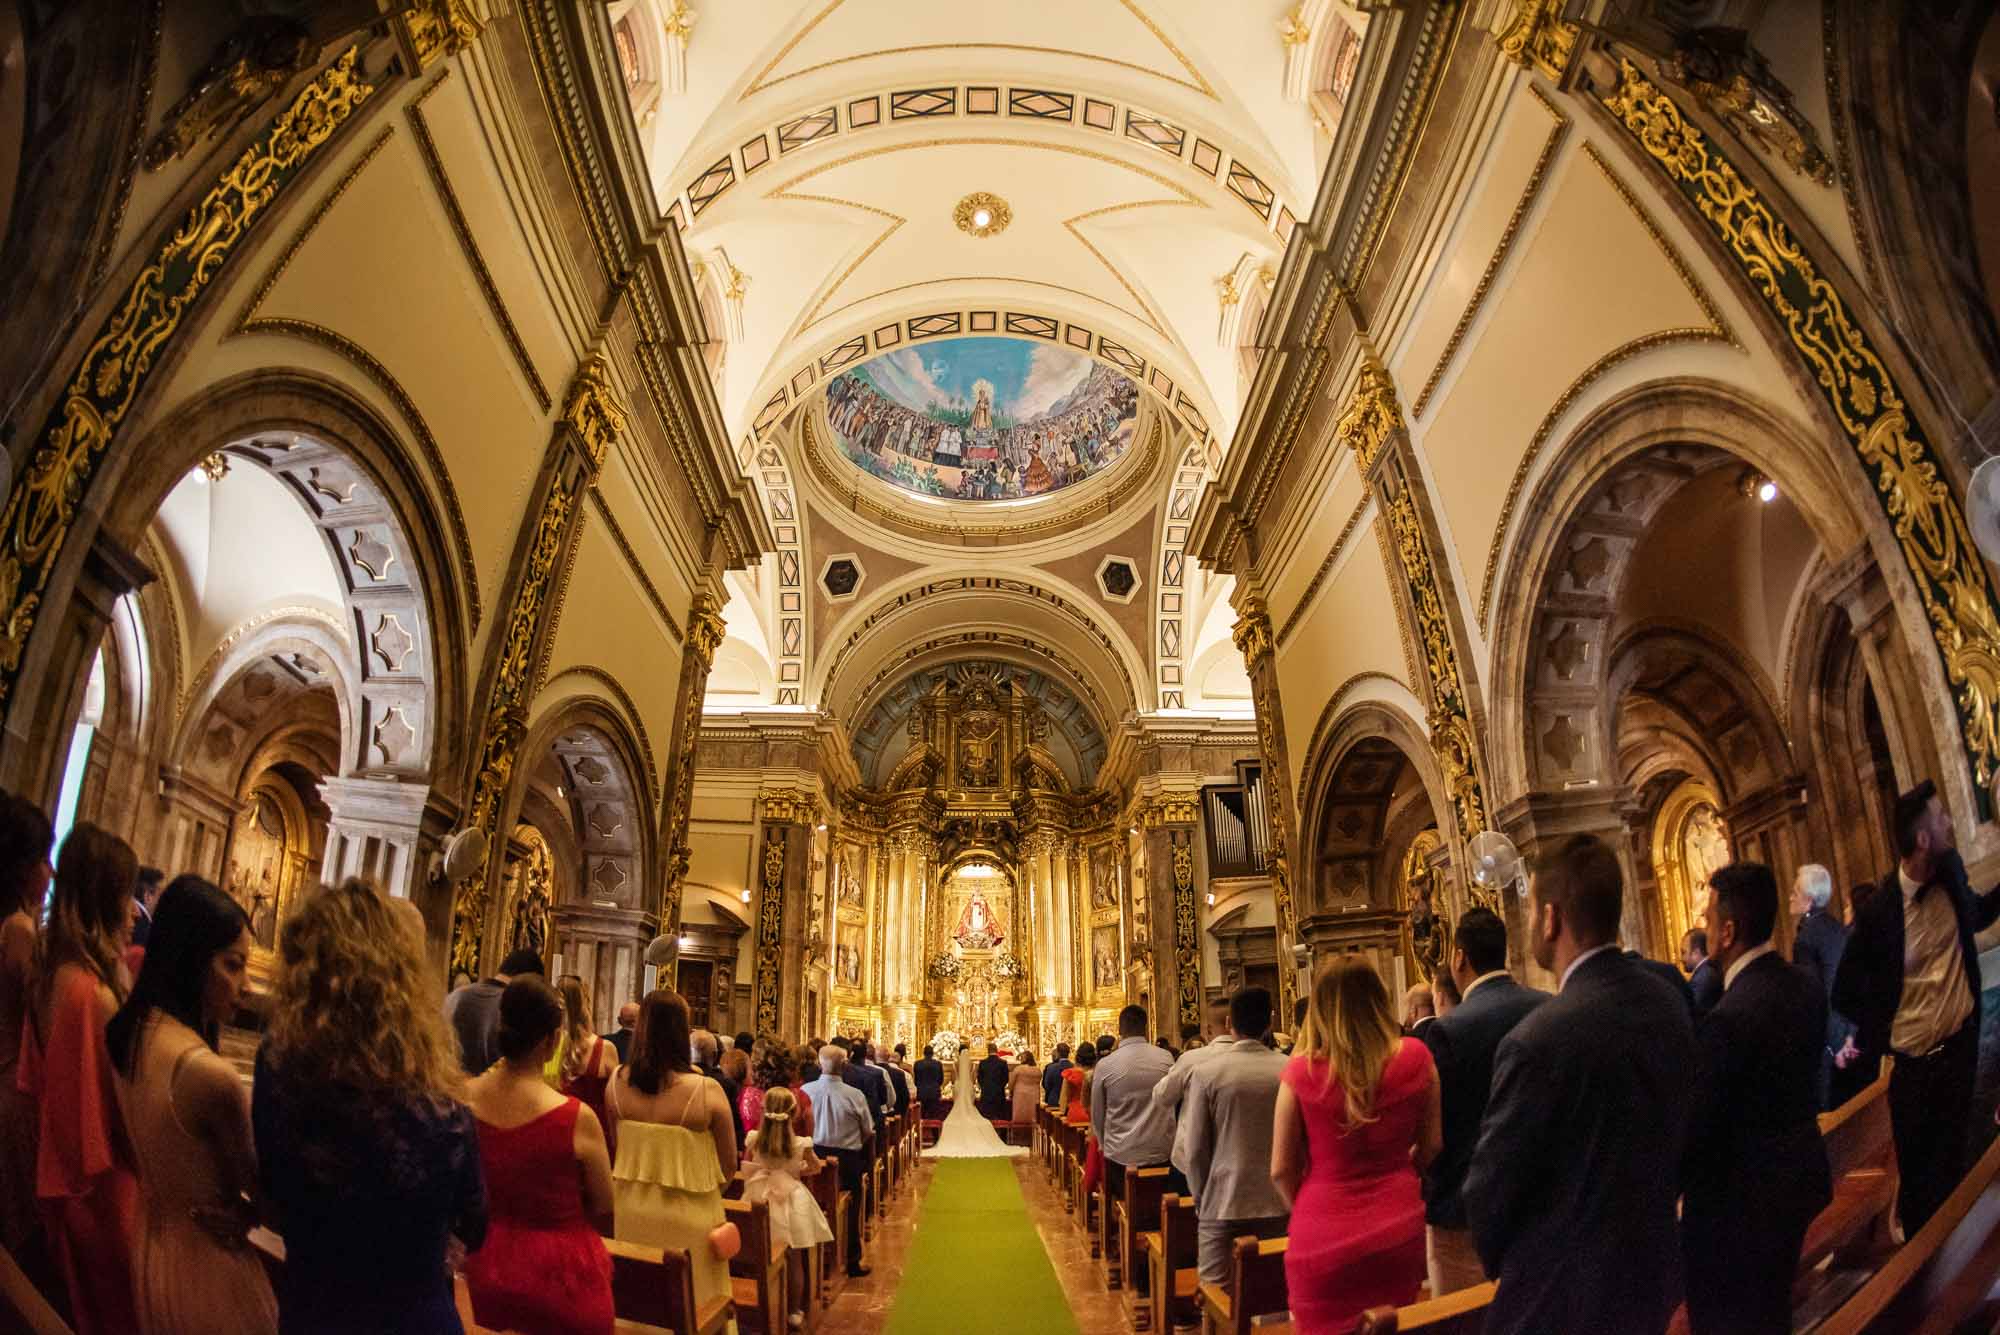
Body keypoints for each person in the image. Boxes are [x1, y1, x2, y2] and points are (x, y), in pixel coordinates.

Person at [1462, 834, 1696, 1335]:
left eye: (1528, 911)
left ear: (1550, 918)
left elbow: (1490, 1193)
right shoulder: (1668, 1001)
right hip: (1654, 1273)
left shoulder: (1537, 1039)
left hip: (1560, 1298)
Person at [254, 879, 486, 1335]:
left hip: (316, 1309)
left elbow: (273, 1194)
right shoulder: (435, 1086)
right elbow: (473, 1222)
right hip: (416, 1312)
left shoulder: (280, 1062)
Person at [105, 876, 274, 1334]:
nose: (246, 987)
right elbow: (268, 1203)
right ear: (191, 959)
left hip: (152, 1244)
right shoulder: (207, 1075)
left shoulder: (131, 1032)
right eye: (232, 966)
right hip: (208, 1264)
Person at [1833, 780, 2000, 1236]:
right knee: (1924, 1190)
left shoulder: (1952, 872)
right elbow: (1844, 992)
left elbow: (1977, 915)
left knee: (1968, 1169)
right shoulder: (1878, 913)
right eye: (1942, 816)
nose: (1950, 821)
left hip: (1963, 1051)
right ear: (1923, 838)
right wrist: (1885, 1024)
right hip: (1913, 1069)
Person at [1682, 863, 1833, 1335]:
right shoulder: (1803, 985)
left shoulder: (1729, 1018)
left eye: (1710, 919)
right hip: (1797, 1183)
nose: (1706, 928)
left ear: (1728, 931)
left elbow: (1700, 1132)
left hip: (1740, 1217)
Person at [1271, 960, 1440, 1331]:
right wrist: (1398, 1171)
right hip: (1398, 1224)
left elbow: (1281, 1168)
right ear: (1379, 1000)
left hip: (1320, 1232)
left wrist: (1308, 1207)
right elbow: (1432, 1146)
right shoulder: (1417, 1058)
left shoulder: (1300, 1072)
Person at [21, 822, 141, 1335]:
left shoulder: (55, 972)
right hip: (100, 1196)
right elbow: (103, 1120)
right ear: (105, 897)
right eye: (127, 894)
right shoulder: (90, 996)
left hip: (67, 1186)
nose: (134, 909)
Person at [462, 977, 615, 1335]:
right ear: (550, 1041)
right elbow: (605, 1204)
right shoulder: (575, 1117)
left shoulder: (463, 1100)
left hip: (480, 1271)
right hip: (560, 1282)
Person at [1418, 906, 1548, 1297]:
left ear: (1459, 956)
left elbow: (1439, 1128)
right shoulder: (1547, 1006)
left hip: (1465, 1207)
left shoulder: (1448, 1030)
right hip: (1538, 1196)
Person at [604, 990, 739, 1311]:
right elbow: (728, 1167)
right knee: (699, 1305)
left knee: (640, 1306)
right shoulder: (706, 1090)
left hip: (631, 1212)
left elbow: (618, 1146)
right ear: (683, 1033)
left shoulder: (615, 1083)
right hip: (691, 1217)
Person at [1178, 987, 1289, 1283]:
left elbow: (1196, 1148)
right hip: (1279, 1201)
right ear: (1270, 1021)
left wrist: (1202, 1198)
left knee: (1217, 1298)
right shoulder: (1290, 1069)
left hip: (1223, 1200)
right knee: (1274, 1294)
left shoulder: (1207, 1072)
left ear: (1230, 1023)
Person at [0, 792, 52, 1261]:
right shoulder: (17, 929)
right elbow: (44, 1017)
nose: (49, 873)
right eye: (44, 860)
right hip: (9, 1088)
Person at [740, 1086, 833, 1328]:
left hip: (759, 1194)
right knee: (794, 1257)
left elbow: (747, 1163)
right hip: (791, 1197)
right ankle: (794, 1310)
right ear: (793, 1114)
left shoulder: (754, 1138)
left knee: (758, 1248)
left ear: (763, 1111)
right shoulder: (801, 1143)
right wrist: (800, 1168)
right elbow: (815, 1167)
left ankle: (757, 1302)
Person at [1091, 1005, 1181, 1201]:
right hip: (1161, 1150)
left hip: (1120, 1155)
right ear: (1146, 1027)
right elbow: (1174, 1100)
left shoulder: (1105, 1064)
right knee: (1158, 1203)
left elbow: (1097, 1113)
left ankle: (1125, 1226)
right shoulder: (1166, 1058)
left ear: (1120, 1030)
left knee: (1127, 1202)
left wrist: (1104, 1145)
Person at [803, 1043, 873, 1277]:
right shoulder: (854, 1096)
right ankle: (851, 1260)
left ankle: (812, 1262)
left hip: (813, 1156)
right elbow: (867, 1130)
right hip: (847, 1158)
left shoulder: (806, 1091)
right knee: (851, 1208)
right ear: (844, 1065)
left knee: (812, 1204)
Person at [1791, 863, 1854, 1110]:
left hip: (1828, 1041)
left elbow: (1816, 995)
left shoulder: (1805, 937)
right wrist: (1849, 1034)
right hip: (1847, 1030)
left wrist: (1834, 1043)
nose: (1790, 897)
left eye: (1795, 892)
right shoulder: (1835, 925)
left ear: (1808, 899)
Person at [444, 945, 546, 1075]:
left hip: (445, 1087)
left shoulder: (454, 996)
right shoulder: (515, 1008)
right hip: (490, 1092)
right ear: (529, 982)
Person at [554, 975, 618, 1154]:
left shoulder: (546, 1045)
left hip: (558, 1130)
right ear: (585, 1003)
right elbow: (615, 1101)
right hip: (596, 1134)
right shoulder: (604, 1048)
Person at [1683, 928, 1722, 1016]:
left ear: (1696, 953)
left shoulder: (1702, 978)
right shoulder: (1708, 971)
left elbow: (1691, 1012)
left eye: (1683, 952)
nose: (1682, 959)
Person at [1061, 1040, 1096, 1123]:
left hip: (1075, 1114)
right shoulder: (1097, 1074)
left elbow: (1064, 1099)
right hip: (1093, 1113)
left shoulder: (1070, 1074)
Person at [129, 865, 164, 949]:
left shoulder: (128, 917)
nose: (163, 901)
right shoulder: (147, 931)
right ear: (148, 896)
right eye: (160, 895)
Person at [1007, 1050, 1042, 1132]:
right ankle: (1033, 1133)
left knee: (1020, 1116)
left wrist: (1010, 1090)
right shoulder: (1037, 1070)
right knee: (1032, 1115)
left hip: (1020, 1094)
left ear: (1025, 1059)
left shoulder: (1018, 1069)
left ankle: (1018, 1132)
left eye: (1022, 1057)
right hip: (1034, 1094)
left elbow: (1011, 1083)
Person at [976, 1041, 1010, 1120]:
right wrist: (1000, 1087)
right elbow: (1006, 1079)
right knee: (999, 1116)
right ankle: (1000, 1132)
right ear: (997, 1050)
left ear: (988, 1051)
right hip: (999, 1094)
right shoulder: (1003, 1063)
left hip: (986, 1094)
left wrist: (984, 1087)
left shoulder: (983, 1063)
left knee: (986, 1116)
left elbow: (979, 1078)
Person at [913, 1043, 945, 1119]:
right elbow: (941, 1080)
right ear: (932, 1053)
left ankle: (921, 1129)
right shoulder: (938, 1064)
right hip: (934, 1092)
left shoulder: (917, 1064)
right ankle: (935, 1130)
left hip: (921, 1092)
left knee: (921, 1115)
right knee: (934, 1115)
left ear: (923, 1053)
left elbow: (916, 1080)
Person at [1040, 1042, 1072, 1108]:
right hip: (1069, 1101)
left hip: (1054, 1100)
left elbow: (1047, 1085)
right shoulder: (1073, 1067)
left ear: (1058, 1053)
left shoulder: (1051, 1067)